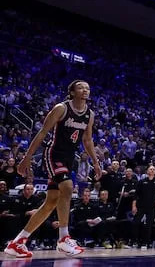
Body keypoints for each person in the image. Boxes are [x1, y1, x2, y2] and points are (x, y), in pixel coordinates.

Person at [4, 80, 101, 258]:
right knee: (68, 187)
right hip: (53, 154)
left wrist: (95, 162)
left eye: (87, 87)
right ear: (72, 92)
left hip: (69, 158)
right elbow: (42, 133)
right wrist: (26, 158)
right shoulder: (61, 108)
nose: (85, 90)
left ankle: (17, 242)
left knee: (51, 202)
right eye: (81, 87)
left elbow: (87, 140)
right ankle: (64, 238)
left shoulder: (90, 114)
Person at [132, 165, 155, 248]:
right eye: (150, 169)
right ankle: (135, 241)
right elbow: (136, 195)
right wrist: (134, 206)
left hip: (151, 206)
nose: (152, 170)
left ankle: (146, 242)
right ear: (147, 171)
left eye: (153, 169)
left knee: (149, 225)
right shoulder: (142, 181)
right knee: (136, 223)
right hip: (141, 206)